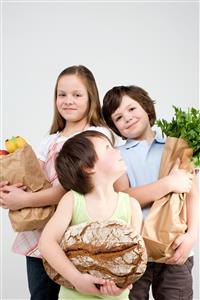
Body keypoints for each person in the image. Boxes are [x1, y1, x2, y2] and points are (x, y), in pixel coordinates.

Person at [0, 65, 112, 300]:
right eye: (62, 94)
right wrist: (13, 192)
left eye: (77, 95)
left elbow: (70, 188)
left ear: (91, 98)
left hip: (75, 229)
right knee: (41, 294)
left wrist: (25, 200)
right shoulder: (50, 140)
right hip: (42, 233)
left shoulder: (97, 135)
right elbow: (36, 180)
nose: (68, 100)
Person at [102, 85, 198, 300]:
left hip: (176, 248)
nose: (127, 118)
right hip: (135, 251)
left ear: (146, 108)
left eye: (131, 109)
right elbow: (124, 198)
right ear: (115, 127)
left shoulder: (176, 146)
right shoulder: (117, 155)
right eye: (118, 117)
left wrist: (192, 236)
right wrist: (168, 184)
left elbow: (192, 194)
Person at [39, 130, 143, 300]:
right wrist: (76, 279)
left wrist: (123, 286)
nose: (117, 150)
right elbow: (46, 243)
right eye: (108, 148)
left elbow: (133, 257)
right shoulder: (72, 200)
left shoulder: (131, 206)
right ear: (88, 167)